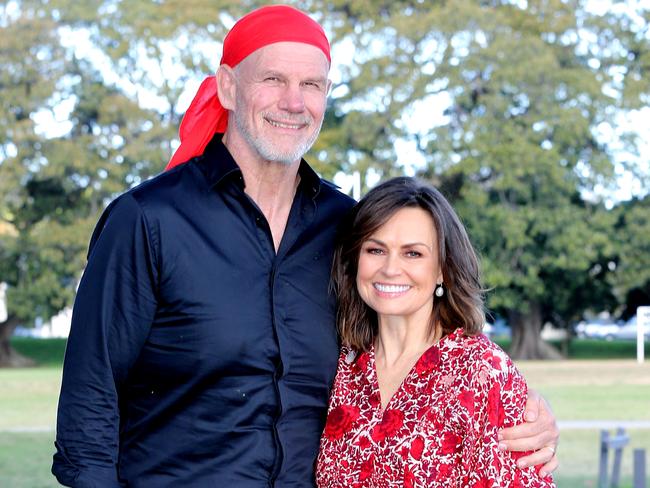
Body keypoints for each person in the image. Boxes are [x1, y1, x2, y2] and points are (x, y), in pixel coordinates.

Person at [52, 5, 558, 487]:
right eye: (273, 79)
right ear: (228, 86)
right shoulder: (148, 220)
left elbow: (414, 339)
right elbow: (89, 396)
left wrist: (517, 412)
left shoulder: (349, 227)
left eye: (310, 84)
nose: (293, 101)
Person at [316, 177, 557, 487]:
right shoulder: (344, 365)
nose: (390, 268)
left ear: (443, 268)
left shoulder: (481, 371)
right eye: (375, 250)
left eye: (413, 253)